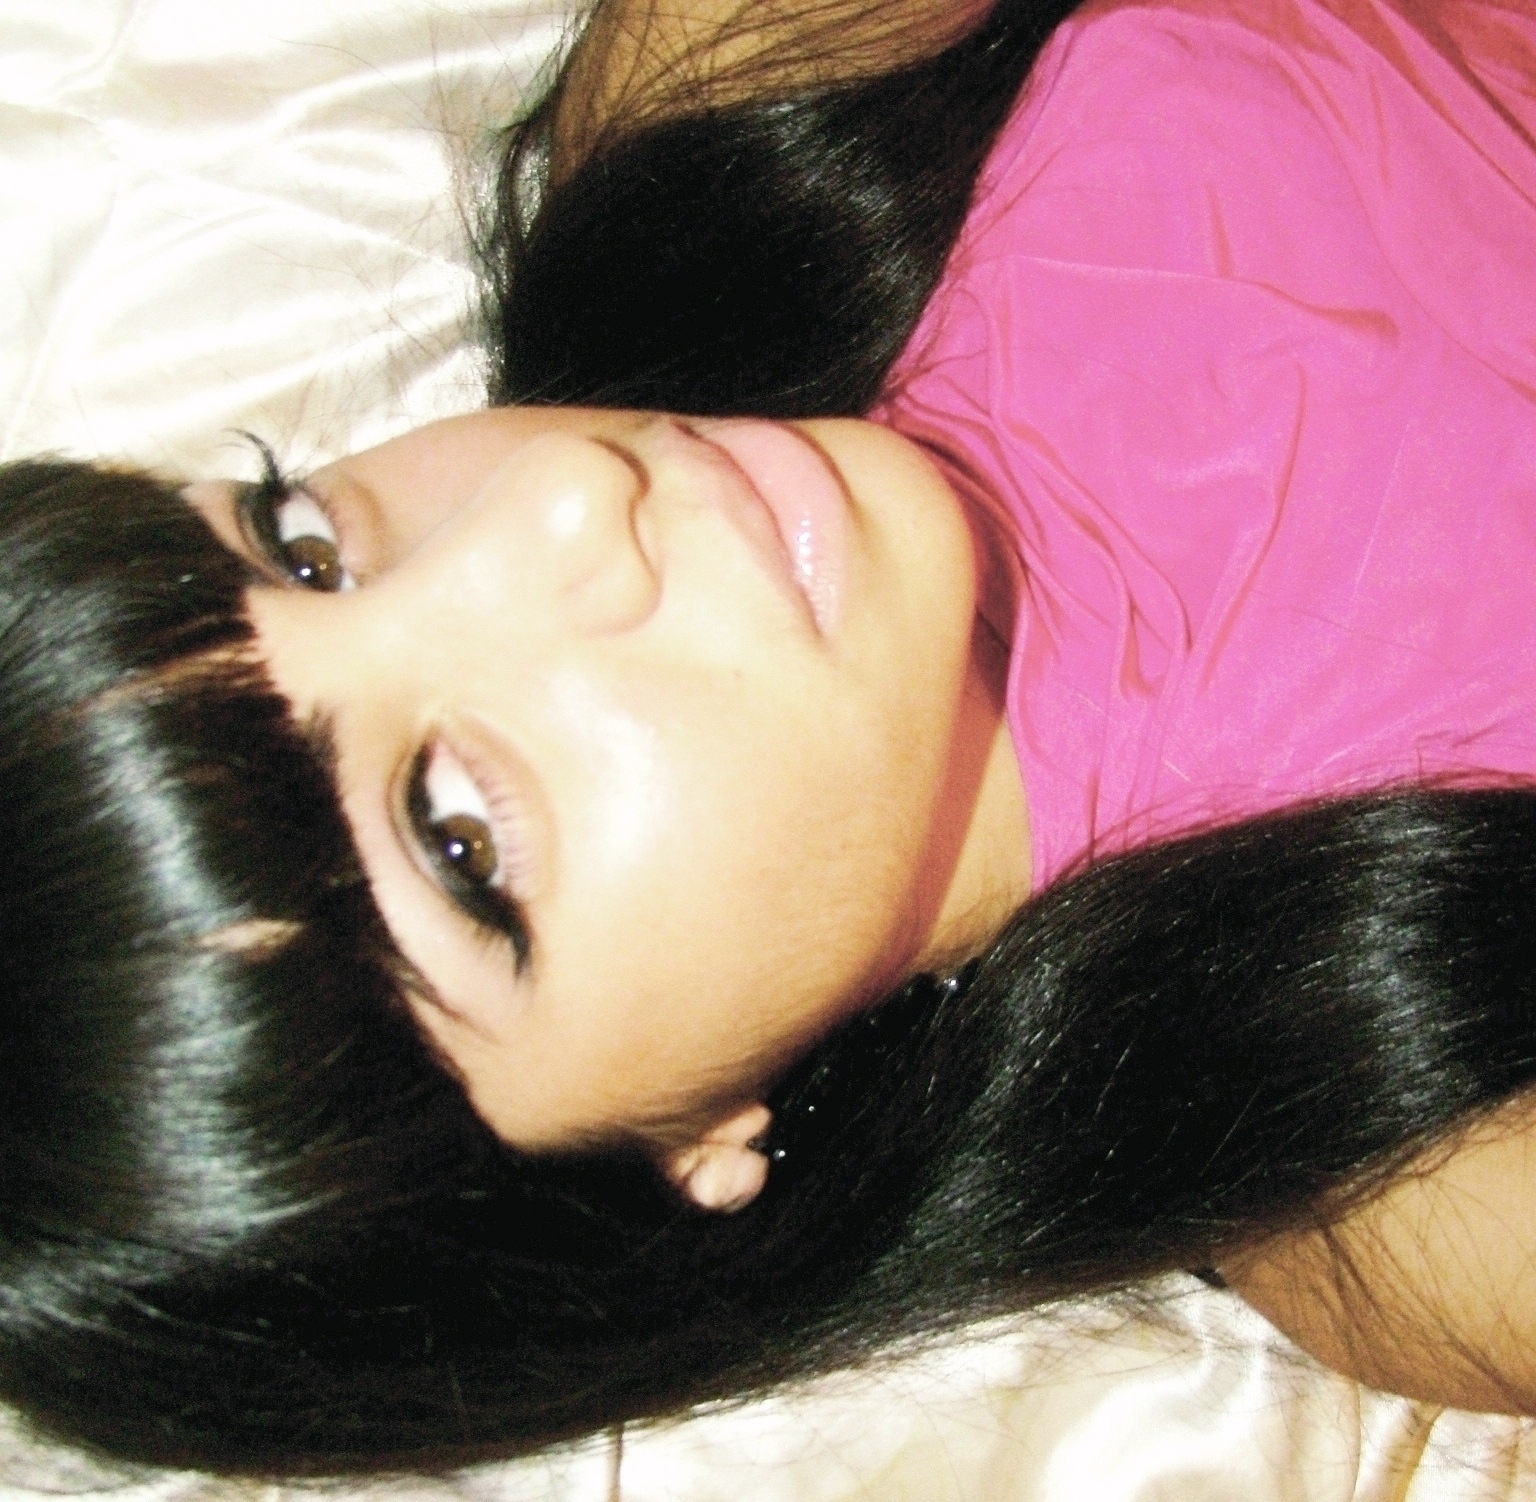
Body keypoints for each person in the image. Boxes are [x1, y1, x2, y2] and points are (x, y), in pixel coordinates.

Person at [1, 0, 1535, 1477]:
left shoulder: (725, 155)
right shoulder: (1402, 1173)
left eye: (303, 544)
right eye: (459, 839)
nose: (560, 498)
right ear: (671, 1161)